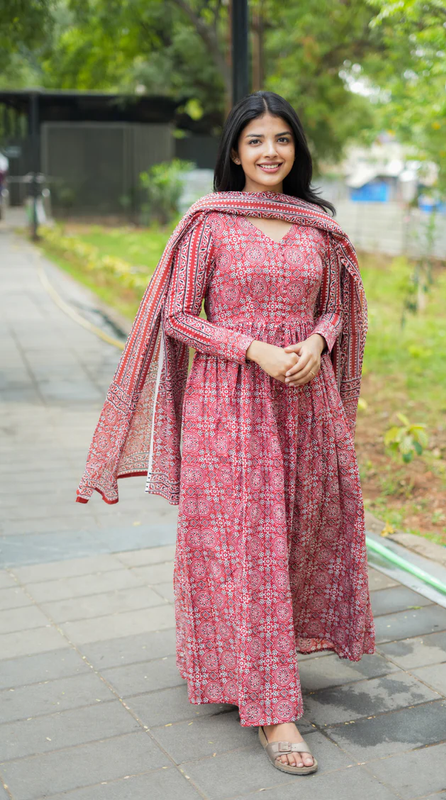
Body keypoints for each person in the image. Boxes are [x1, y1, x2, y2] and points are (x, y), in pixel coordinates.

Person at [76, 90, 376, 776]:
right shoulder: (209, 223)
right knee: (241, 541)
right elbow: (178, 316)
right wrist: (254, 350)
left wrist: (318, 340)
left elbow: (339, 309)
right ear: (235, 152)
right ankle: (273, 710)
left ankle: (250, 664)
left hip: (304, 401)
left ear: (297, 150)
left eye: (282, 140)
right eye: (256, 141)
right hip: (230, 404)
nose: (270, 152)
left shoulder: (318, 227)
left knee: (293, 532)